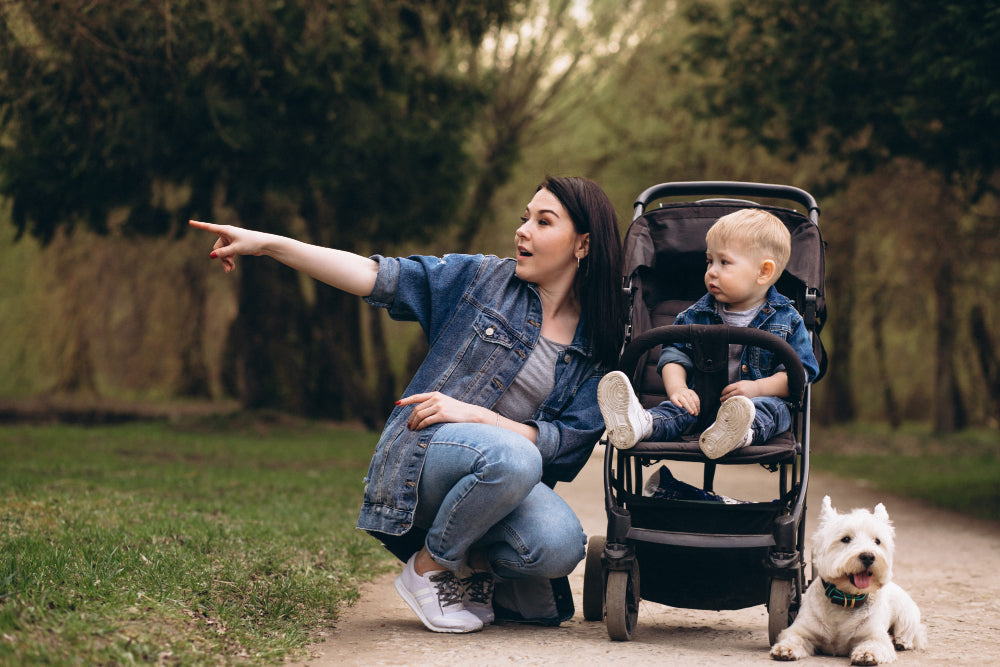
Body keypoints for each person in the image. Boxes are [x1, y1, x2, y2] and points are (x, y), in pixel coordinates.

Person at [191, 176, 624, 634]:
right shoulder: (482, 280)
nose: (523, 230)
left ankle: (469, 563)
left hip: (500, 477)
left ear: (583, 244)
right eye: (524, 219)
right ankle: (428, 568)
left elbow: (566, 445)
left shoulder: (599, 340)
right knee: (517, 455)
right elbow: (375, 276)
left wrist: (479, 415)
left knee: (561, 544)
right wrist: (269, 244)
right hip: (425, 457)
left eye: (543, 221)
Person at [598, 208, 819, 459]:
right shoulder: (694, 315)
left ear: (764, 272)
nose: (712, 271)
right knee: (676, 409)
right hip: (702, 405)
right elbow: (673, 355)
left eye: (724, 262)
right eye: (709, 261)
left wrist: (757, 388)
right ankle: (642, 424)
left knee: (772, 410)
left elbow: (800, 372)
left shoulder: (787, 319)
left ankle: (740, 433)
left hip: (758, 403)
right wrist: (679, 388)